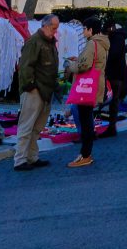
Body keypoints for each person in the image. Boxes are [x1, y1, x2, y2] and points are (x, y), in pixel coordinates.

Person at [63, 17, 110, 168]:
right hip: (96, 85)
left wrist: (71, 64)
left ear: (90, 30)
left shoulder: (92, 43)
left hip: (87, 87)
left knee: (85, 121)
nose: (83, 31)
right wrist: (79, 59)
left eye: (84, 28)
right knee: (87, 119)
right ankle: (86, 153)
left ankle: (85, 154)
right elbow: (93, 61)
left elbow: (84, 65)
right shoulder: (102, 43)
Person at [13, 14, 59, 171]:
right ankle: (20, 160)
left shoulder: (50, 42)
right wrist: (30, 86)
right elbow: (25, 66)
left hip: (46, 90)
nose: (56, 31)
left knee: (37, 127)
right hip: (35, 90)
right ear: (45, 26)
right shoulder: (34, 41)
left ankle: (32, 157)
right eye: (54, 28)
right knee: (26, 126)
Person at [101, 18, 127, 138]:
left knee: (112, 100)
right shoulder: (119, 37)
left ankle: (111, 127)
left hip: (114, 74)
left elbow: (113, 55)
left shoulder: (116, 38)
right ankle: (111, 126)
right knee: (113, 100)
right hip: (117, 73)